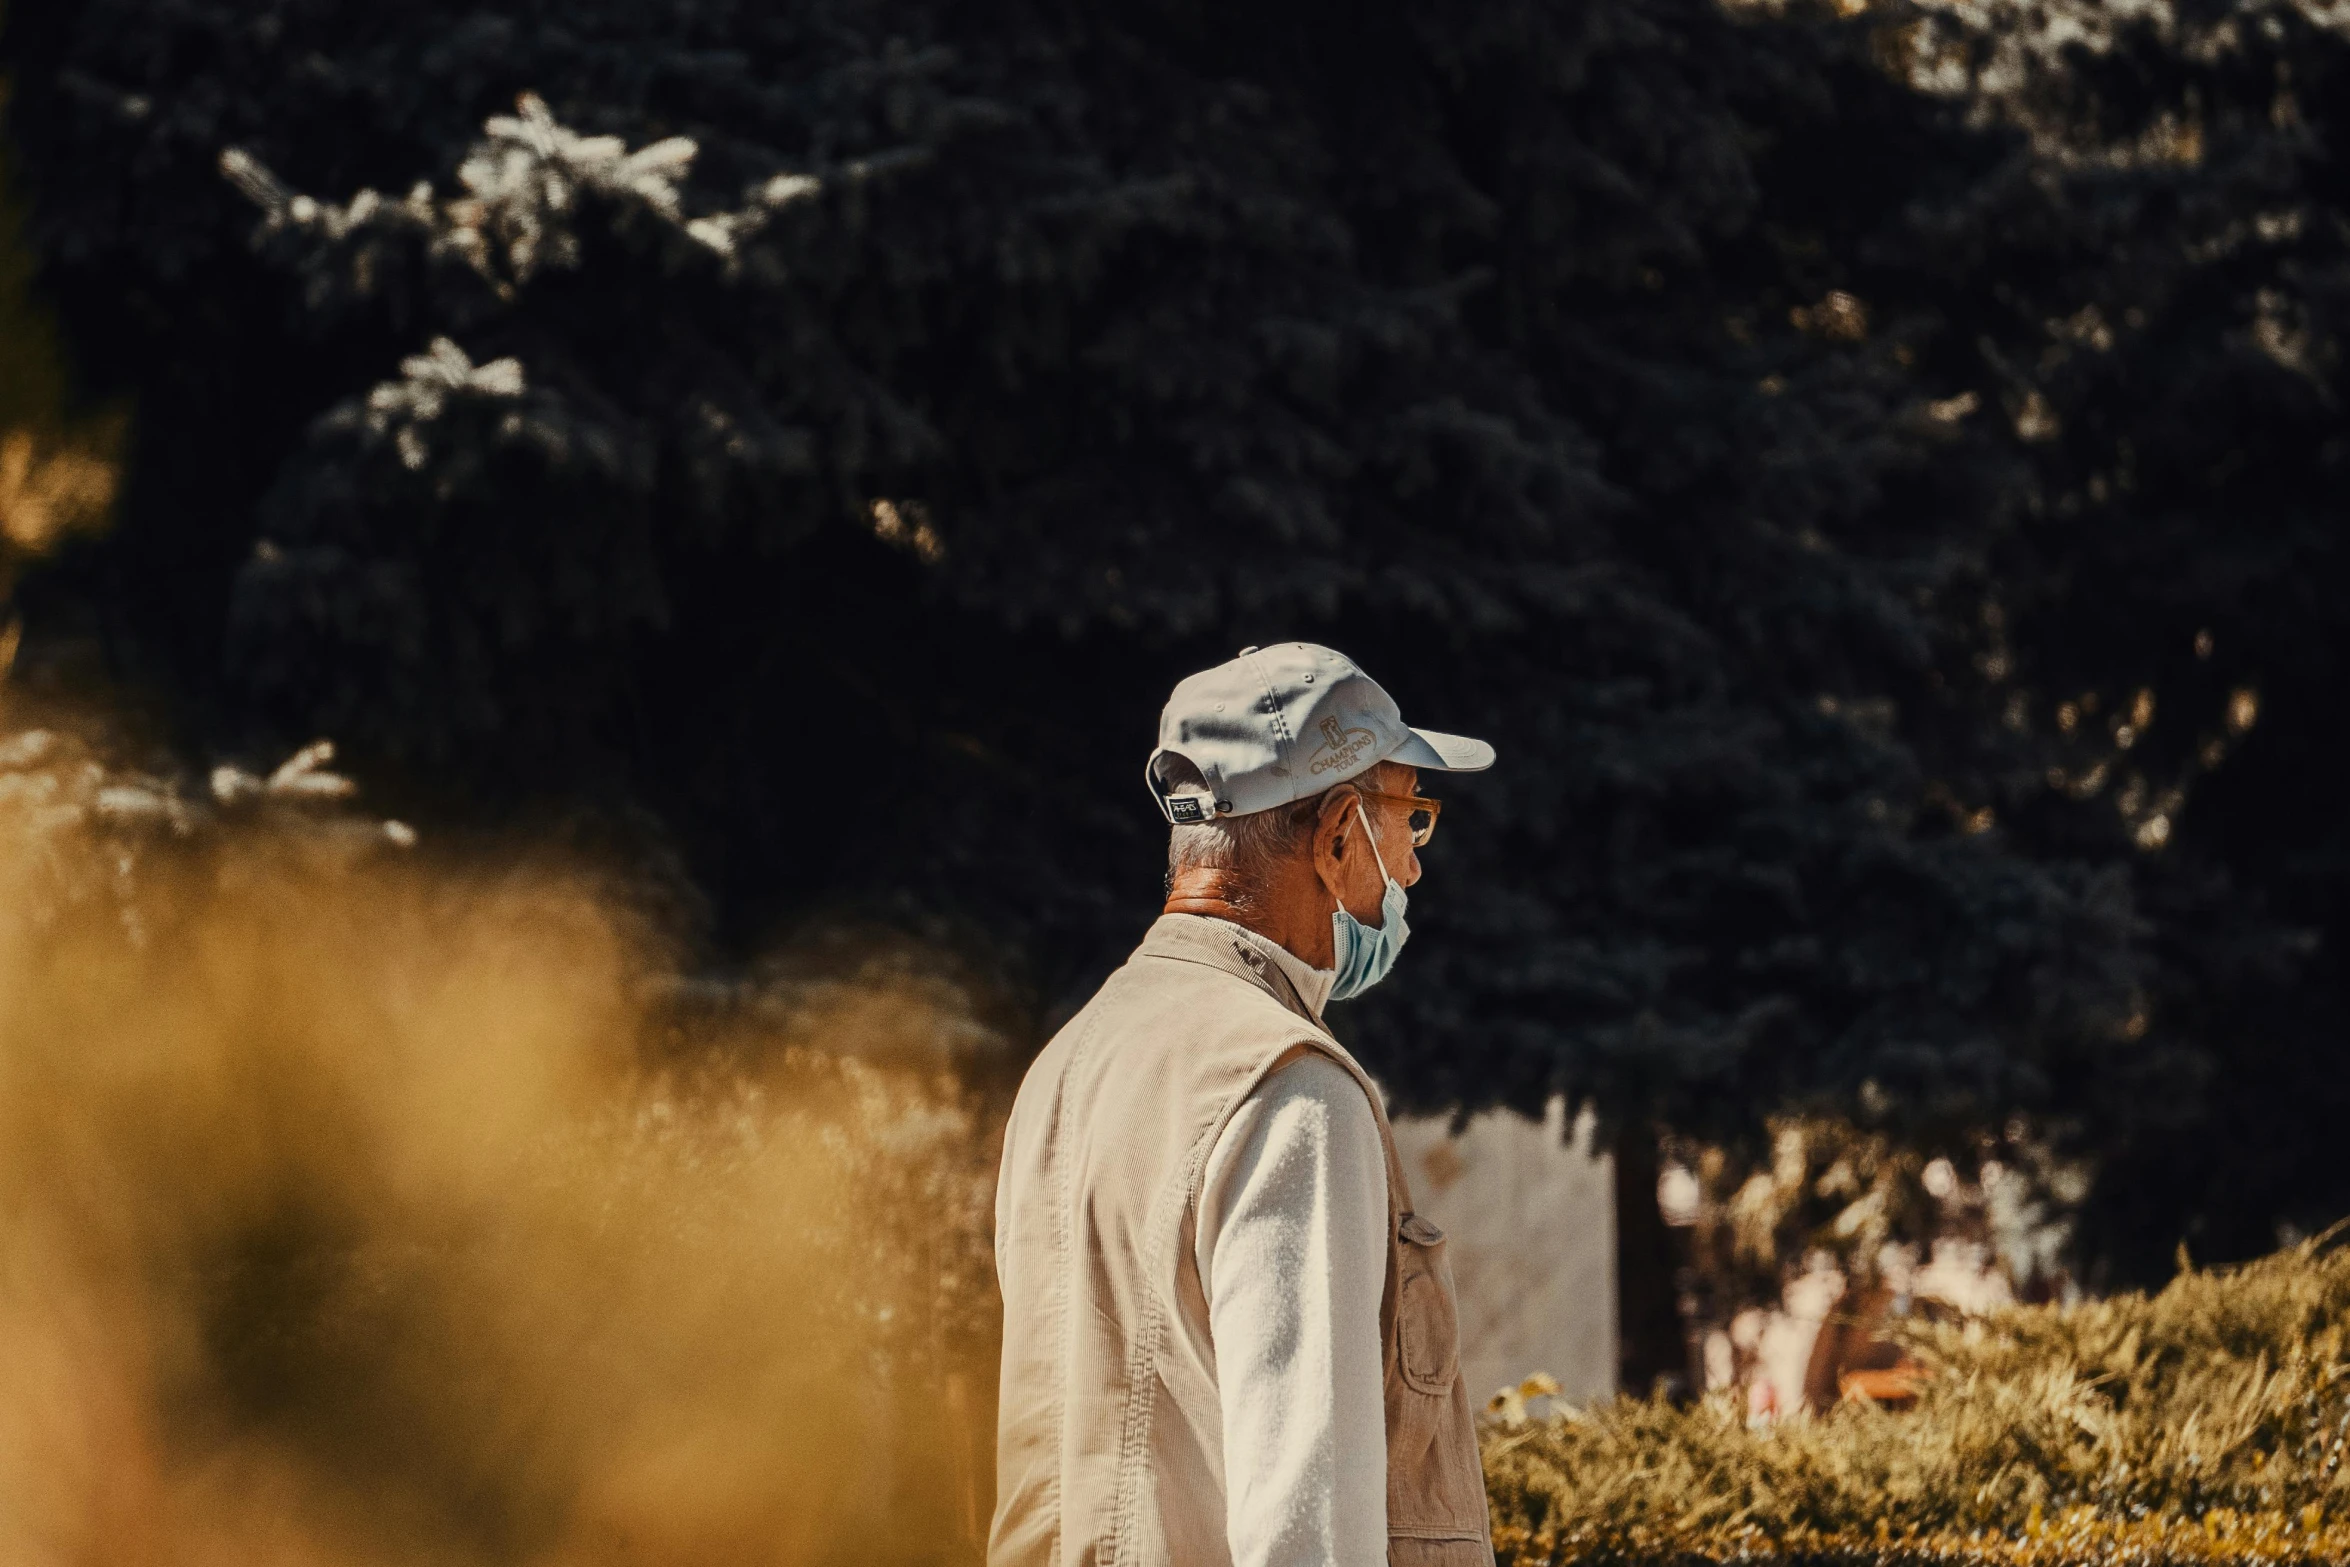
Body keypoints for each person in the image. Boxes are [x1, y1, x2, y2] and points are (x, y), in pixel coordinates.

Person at [990, 643, 1498, 1567]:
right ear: (1339, 832)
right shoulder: (1291, 1087)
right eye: (1410, 817)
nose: (1415, 867)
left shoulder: (1066, 1065)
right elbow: (1309, 1531)